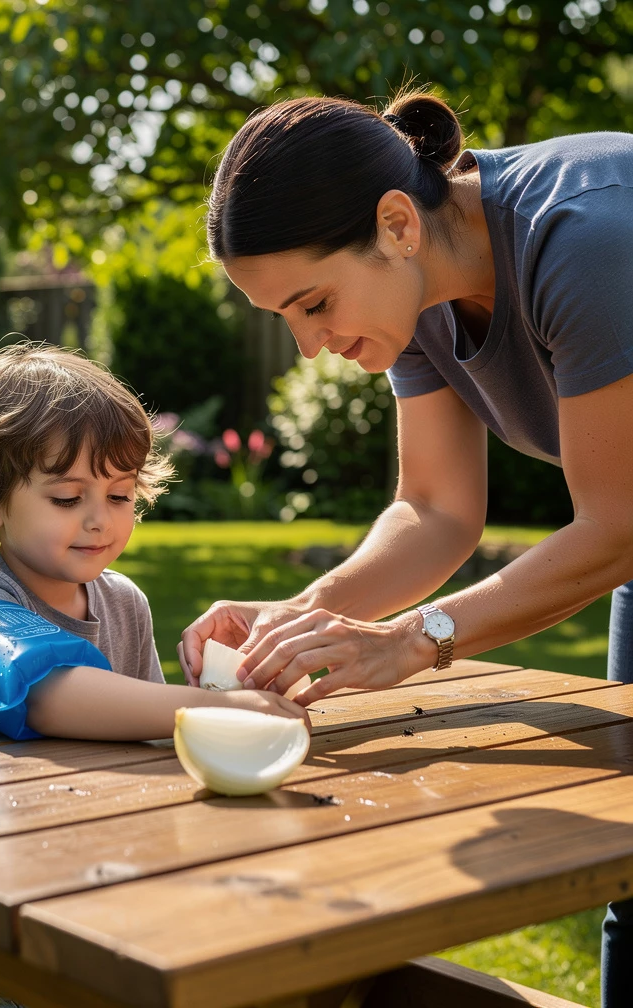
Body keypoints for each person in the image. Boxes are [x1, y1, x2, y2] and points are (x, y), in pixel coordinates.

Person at [177, 90, 633, 1007]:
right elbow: (434, 509)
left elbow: (618, 526)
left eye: (313, 303)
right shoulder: (419, 286)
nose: (308, 345)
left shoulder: (584, 239)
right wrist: (302, 617)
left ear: (396, 223)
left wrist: (411, 640)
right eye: (285, 320)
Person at [0, 341, 309, 1007]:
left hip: (94, 877)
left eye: (120, 494)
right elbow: (49, 693)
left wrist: (233, 701)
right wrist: (212, 707)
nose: (101, 519)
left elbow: (152, 744)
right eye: (68, 497)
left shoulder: (124, 602)